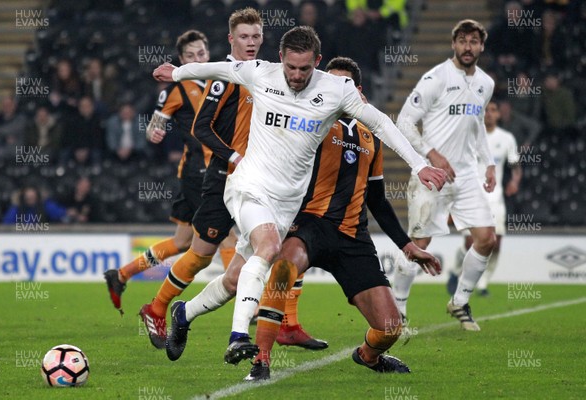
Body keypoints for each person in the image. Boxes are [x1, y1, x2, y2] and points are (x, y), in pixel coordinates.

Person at [154, 26, 446, 363]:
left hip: (286, 203)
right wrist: (177, 72)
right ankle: (238, 338)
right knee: (269, 248)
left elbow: (380, 123)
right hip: (249, 186)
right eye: (291, 67)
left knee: (236, 280)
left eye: (304, 69)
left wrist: (419, 165)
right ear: (281, 59)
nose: (295, 75)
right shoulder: (261, 72)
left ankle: (184, 314)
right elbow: (217, 67)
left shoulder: (336, 90)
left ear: (317, 62)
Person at [246, 57, 441, 380]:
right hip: (310, 224)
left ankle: (367, 356)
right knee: (282, 269)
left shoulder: (370, 135)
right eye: (327, 83)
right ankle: (261, 360)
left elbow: (376, 199)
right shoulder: (309, 120)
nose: (333, 91)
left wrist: (407, 246)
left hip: (353, 236)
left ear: (358, 91)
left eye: (343, 85)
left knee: (391, 328)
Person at [145, 8, 324, 357]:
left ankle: (284, 323)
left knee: (277, 248)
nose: (252, 42)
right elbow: (200, 128)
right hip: (225, 177)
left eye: (256, 36)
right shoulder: (225, 78)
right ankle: (158, 307)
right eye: (244, 37)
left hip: (264, 183)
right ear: (231, 39)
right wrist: (232, 156)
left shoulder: (270, 76)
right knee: (199, 254)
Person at [103, 30, 233, 327]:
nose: (198, 59)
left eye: (201, 53)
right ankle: (242, 302)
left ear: (207, 52)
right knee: (226, 233)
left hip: (212, 169)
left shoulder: (221, 78)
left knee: (182, 241)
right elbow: (153, 127)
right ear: (182, 60)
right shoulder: (175, 88)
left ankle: (121, 274)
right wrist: (155, 132)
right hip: (199, 172)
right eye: (191, 56)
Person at [392, 19, 496, 331]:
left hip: (464, 176)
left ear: (481, 46)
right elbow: (405, 120)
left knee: (487, 238)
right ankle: (398, 308)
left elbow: (476, 125)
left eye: (474, 41)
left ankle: (460, 301)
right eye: (463, 40)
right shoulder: (435, 77)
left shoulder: (486, 83)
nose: (468, 47)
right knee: (418, 243)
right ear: (454, 44)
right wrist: (431, 153)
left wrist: (488, 162)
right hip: (431, 174)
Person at [448, 100, 522, 297]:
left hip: (495, 198)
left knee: (495, 244)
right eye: (486, 110)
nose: (489, 113)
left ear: (499, 115)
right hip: (471, 197)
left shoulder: (507, 139)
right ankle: (457, 271)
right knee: (470, 243)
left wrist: (514, 181)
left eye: (493, 110)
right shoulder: (470, 137)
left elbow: (515, 166)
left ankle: (483, 283)